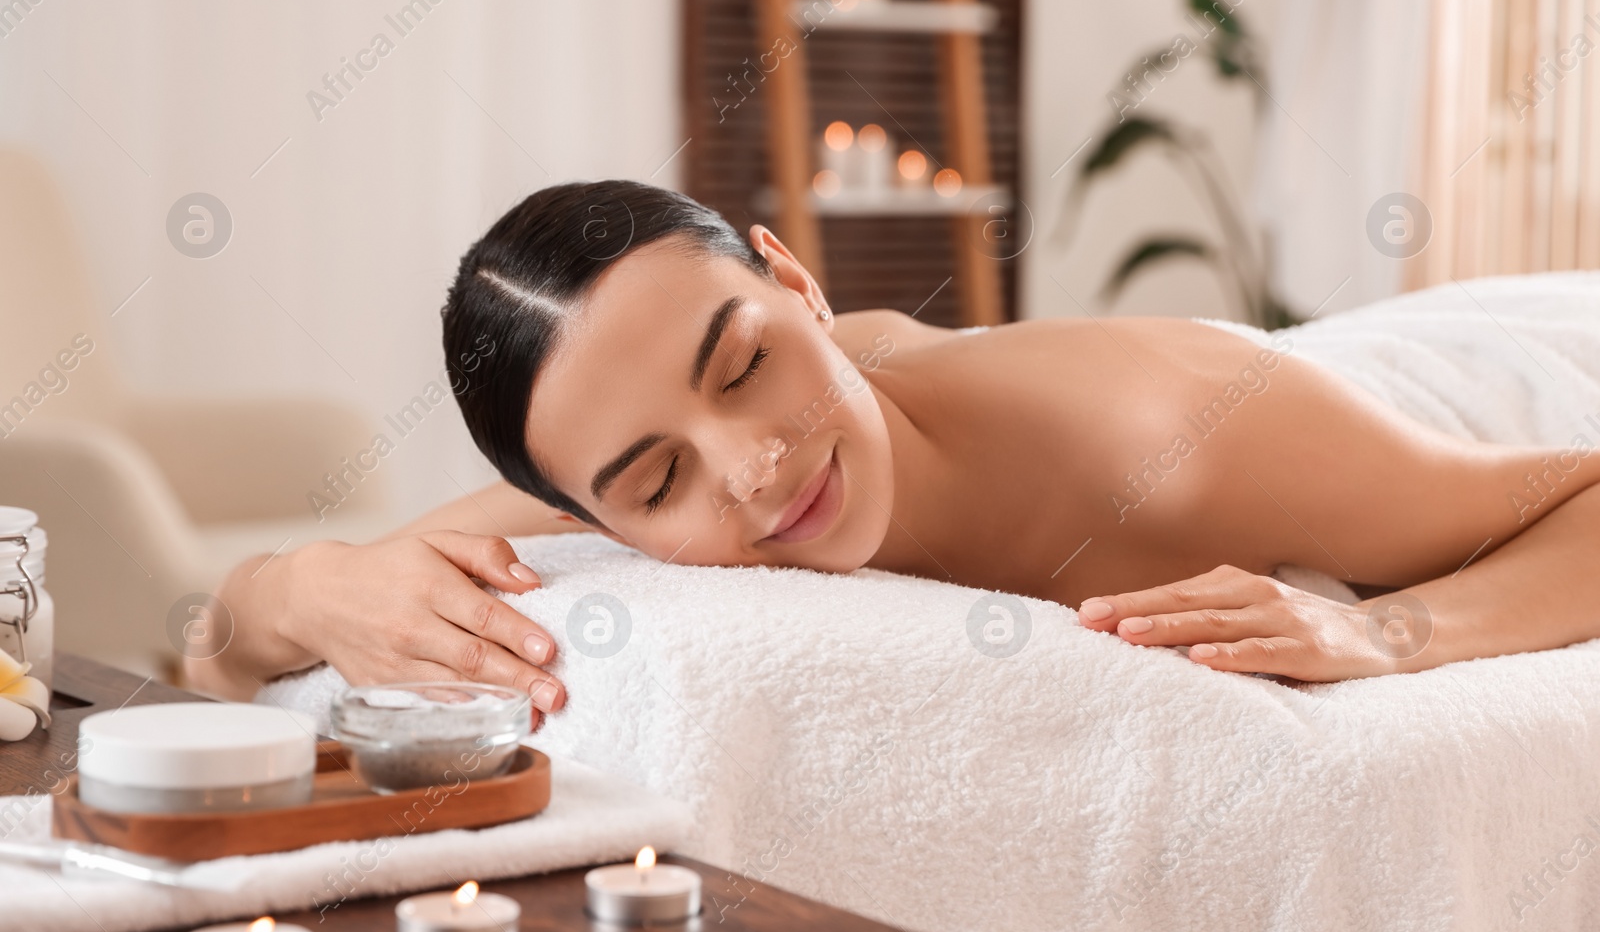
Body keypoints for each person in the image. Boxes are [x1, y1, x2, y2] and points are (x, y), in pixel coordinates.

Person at [188, 181, 1600, 726]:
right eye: (656, 480)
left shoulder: (1174, 440)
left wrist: (1393, 631)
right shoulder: (608, 482)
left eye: (744, 366)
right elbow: (214, 645)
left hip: (1487, 369)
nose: (747, 468)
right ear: (590, 510)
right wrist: (303, 582)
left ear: (797, 281)